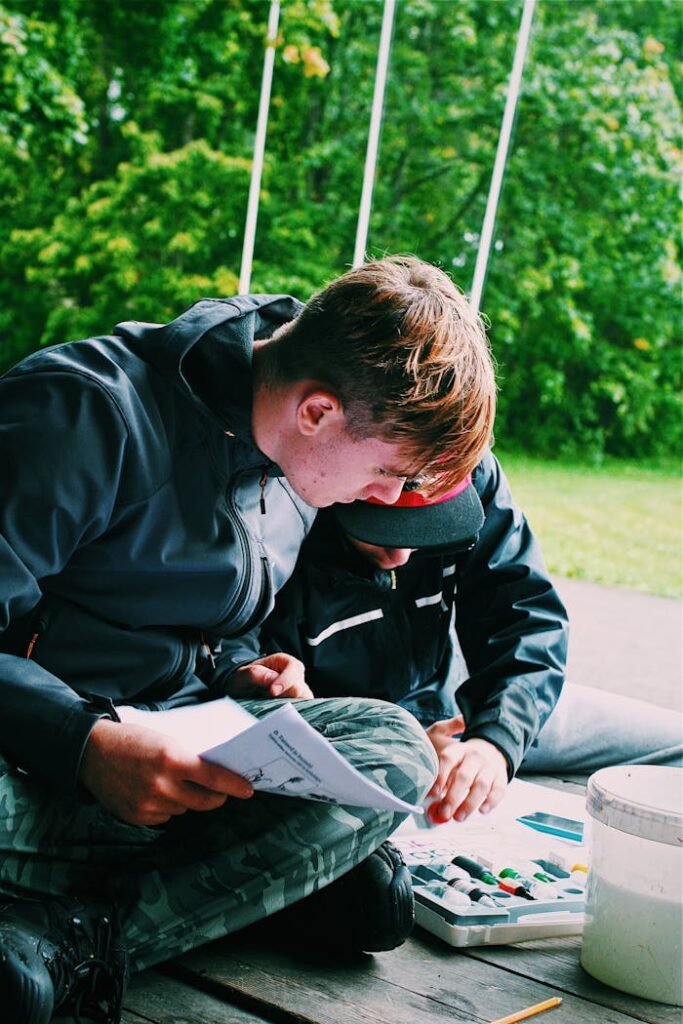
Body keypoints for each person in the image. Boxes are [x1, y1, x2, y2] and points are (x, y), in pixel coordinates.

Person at [0, 256, 497, 1023]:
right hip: (35, 761)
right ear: (318, 413)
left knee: (392, 746)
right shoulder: (83, 412)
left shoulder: (293, 457)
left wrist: (241, 672)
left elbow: (210, 630)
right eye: (393, 474)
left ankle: (77, 928)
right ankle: (249, 888)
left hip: (179, 761)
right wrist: (84, 743)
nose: (391, 503)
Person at [256, 451, 683, 825]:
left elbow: (525, 619)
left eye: (426, 528)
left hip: (466, 708)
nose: (402, 555)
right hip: (361, 740)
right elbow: (259, 693)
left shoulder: (472, 472)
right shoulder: (285, 500)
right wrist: (398, 749)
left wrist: (494, 741)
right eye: (380, 527)